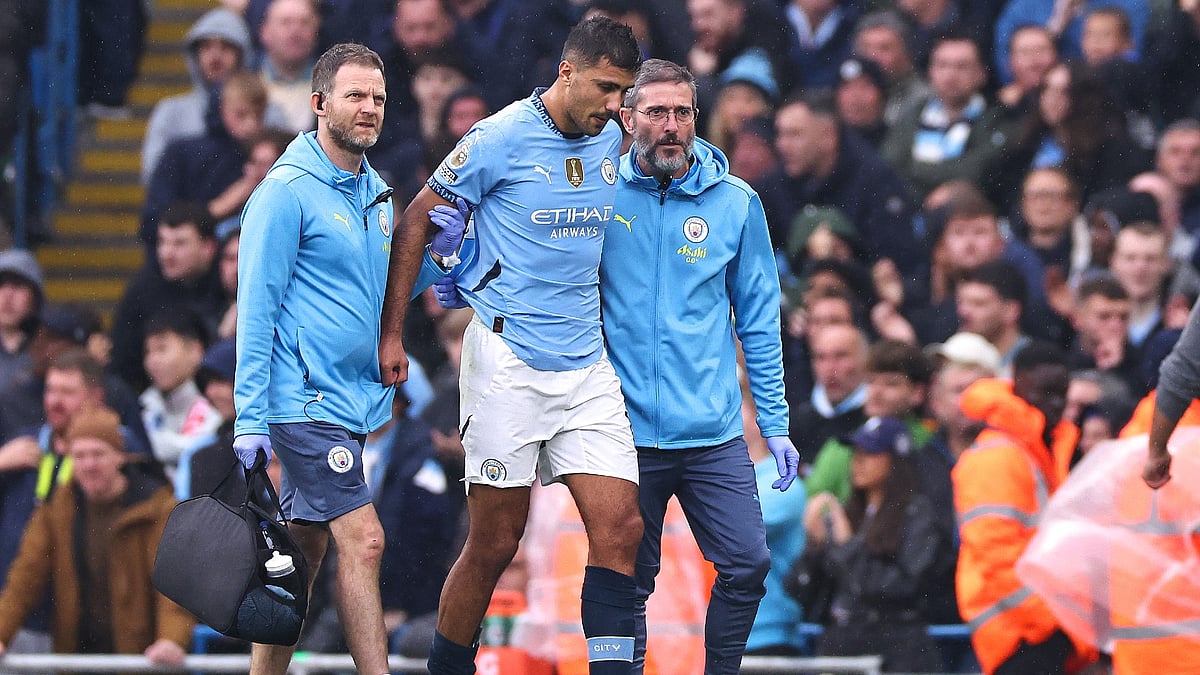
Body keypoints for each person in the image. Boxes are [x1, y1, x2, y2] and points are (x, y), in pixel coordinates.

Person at [377, 16, 644, 674]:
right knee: (495, 540)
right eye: (607, 88)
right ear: (567, 72)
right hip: (507, 362)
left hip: (586, 361)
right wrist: (391, 330)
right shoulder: (498, 137)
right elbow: (415, 222)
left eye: (625, 92)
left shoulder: (613, 138)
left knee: (622, 528)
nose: (615, 105)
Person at [604, 59, 798, 673]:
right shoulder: (596, 193)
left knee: (749, 564)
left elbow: (761, 322)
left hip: (711, 433)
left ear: (697, 118)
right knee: (622, 583)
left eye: (681, 113)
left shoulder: (737, 204)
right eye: (656, 113)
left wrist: (775, 423)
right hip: (623, 433)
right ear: (628, 117)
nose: (670, 126)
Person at [234, 42, 397, 675]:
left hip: (347, 400)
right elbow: (257, 308)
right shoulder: (283, 193)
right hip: (301, 403)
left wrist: (442, 260)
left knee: (302, 556)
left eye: (378, 97)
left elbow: (382, 289)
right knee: (366, 539)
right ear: (319, 103)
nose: (369, 109)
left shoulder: (376, 191)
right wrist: (250, 418)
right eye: (355, 95)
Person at [0, 407, 192, 665]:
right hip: (75, 657)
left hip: (141, 661)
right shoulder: (56, 509)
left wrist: (171, 640)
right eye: (79, 455)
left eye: (99, 454)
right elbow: (25, 578)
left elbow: (175, 586)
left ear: (120, 457)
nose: (89, 465)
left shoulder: (158, 509)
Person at [954, 342, 1094, 673]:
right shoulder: (998, 456)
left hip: (1043, 626)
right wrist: (1046, 621)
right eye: (1046, 392)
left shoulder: (1041, 449)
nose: (1056, 404)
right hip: (1020, 633)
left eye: (1062, 394)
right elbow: (997, 555)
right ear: (1017, 383)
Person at [801, 416, 943, 672]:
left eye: (870, 453)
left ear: (896, 460)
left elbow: (903, 587)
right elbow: (801, 591)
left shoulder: (918, 515)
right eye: (855, 452)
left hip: (897, 652)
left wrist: (847, 547)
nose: (858, 461)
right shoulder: (848, 514)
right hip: (841, 646)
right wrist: (815, 545)